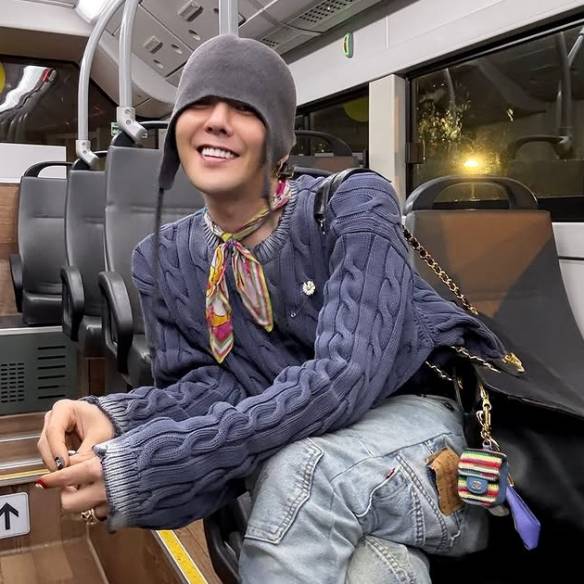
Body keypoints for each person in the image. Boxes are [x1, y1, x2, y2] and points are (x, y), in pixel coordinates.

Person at [36, 34, 506, 583]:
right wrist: (120, 417)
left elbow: (346, 375)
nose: (217, 121)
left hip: (418, 434)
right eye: (199, 104)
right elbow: (212, 387)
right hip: (314, 448)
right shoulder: (163, 258)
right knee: (369, 569)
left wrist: (160, 464)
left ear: (279, 141)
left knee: (301, 477)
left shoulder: (355, 203)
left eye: (244, 108)